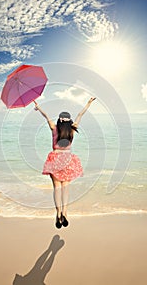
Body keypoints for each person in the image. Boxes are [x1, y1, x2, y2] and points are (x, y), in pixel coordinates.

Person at [34, 97, 96, 228]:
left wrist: (38, 107)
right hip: (68, 159)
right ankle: (65, 213)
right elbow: (80, 114)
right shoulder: (72, 129)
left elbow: (46, 115)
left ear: (59, 120)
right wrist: (88, 103)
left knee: (57, 188)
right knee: (65, 189)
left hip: (55, 158)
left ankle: (58, 213)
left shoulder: (54, 128)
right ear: (69, 121)